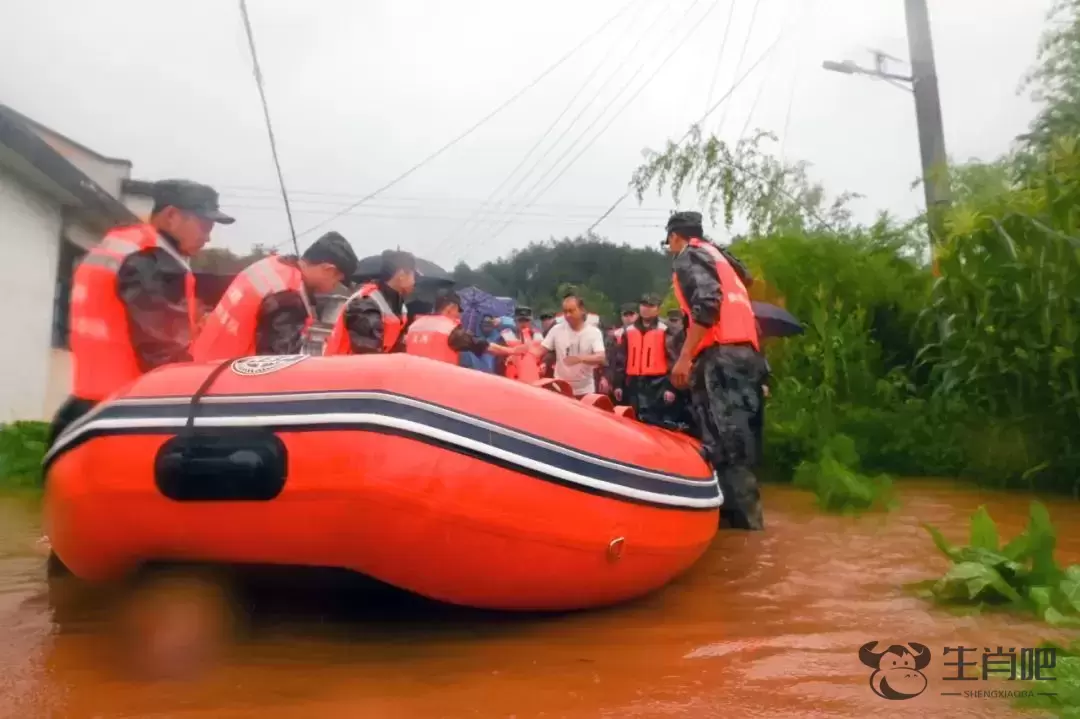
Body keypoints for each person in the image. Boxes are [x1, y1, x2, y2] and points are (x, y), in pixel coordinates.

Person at [49, 179, 234, 447]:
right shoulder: (154, 262)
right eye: (204, 225)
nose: (208, 236)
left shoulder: (123, 244)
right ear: (171, 215)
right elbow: (163, 355)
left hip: (88, 401)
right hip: (128, 409)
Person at [665, 210, 766, 531]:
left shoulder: (688, 256)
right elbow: (743, 298)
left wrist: (684, 357)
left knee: (726, 444)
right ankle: (744, 527)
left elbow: (707, 303)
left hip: (720, 356)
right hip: (747, 357)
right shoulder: (722, 261)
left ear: (676, 236)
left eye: (669, 240)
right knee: (741, 443)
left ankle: (743, 534)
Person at [192, 232, 358, 361]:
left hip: (203, 363)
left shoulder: (273, 265)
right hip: (227, 381)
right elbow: (277, 364)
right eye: (338, 280)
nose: (335, 287)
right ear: (328, 269)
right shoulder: (288, 296)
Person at [323, 250, 415, 355]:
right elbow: (366, 353)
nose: (415, 281)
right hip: (342, 367)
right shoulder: (365, 303)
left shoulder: (399, 306)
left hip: (373, 365)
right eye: (413, 275)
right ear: (401, 275)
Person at [406, 290, 526, 365]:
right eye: (459, 310)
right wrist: (512, 351)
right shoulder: (449, 329)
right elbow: (482, 345)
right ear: (451, 307)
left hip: (412, 388)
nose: (459, 315)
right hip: (439, 386)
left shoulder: (414, 326)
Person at [612, 294, 678, 426]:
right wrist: (618, 384)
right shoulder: (628, 330)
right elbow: (621, 359)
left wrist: (671, 388)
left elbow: (674, 359)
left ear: (658, 309)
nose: (646, 308)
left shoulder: (667, 329)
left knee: (656, 423)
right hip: (634, 384)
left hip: (658, 384)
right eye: (643, 305)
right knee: (632, 421)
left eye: (651, 306)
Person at [530, 292, 607, 398]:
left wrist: (579, 359)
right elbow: (539, 351)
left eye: (571, 311)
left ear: (582, 310)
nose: (568, 315)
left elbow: (601, 357)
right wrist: (519, 352)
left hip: (585, 390)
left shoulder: (594, 332)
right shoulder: (556, 330)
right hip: (561, 388)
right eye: (565, 311)